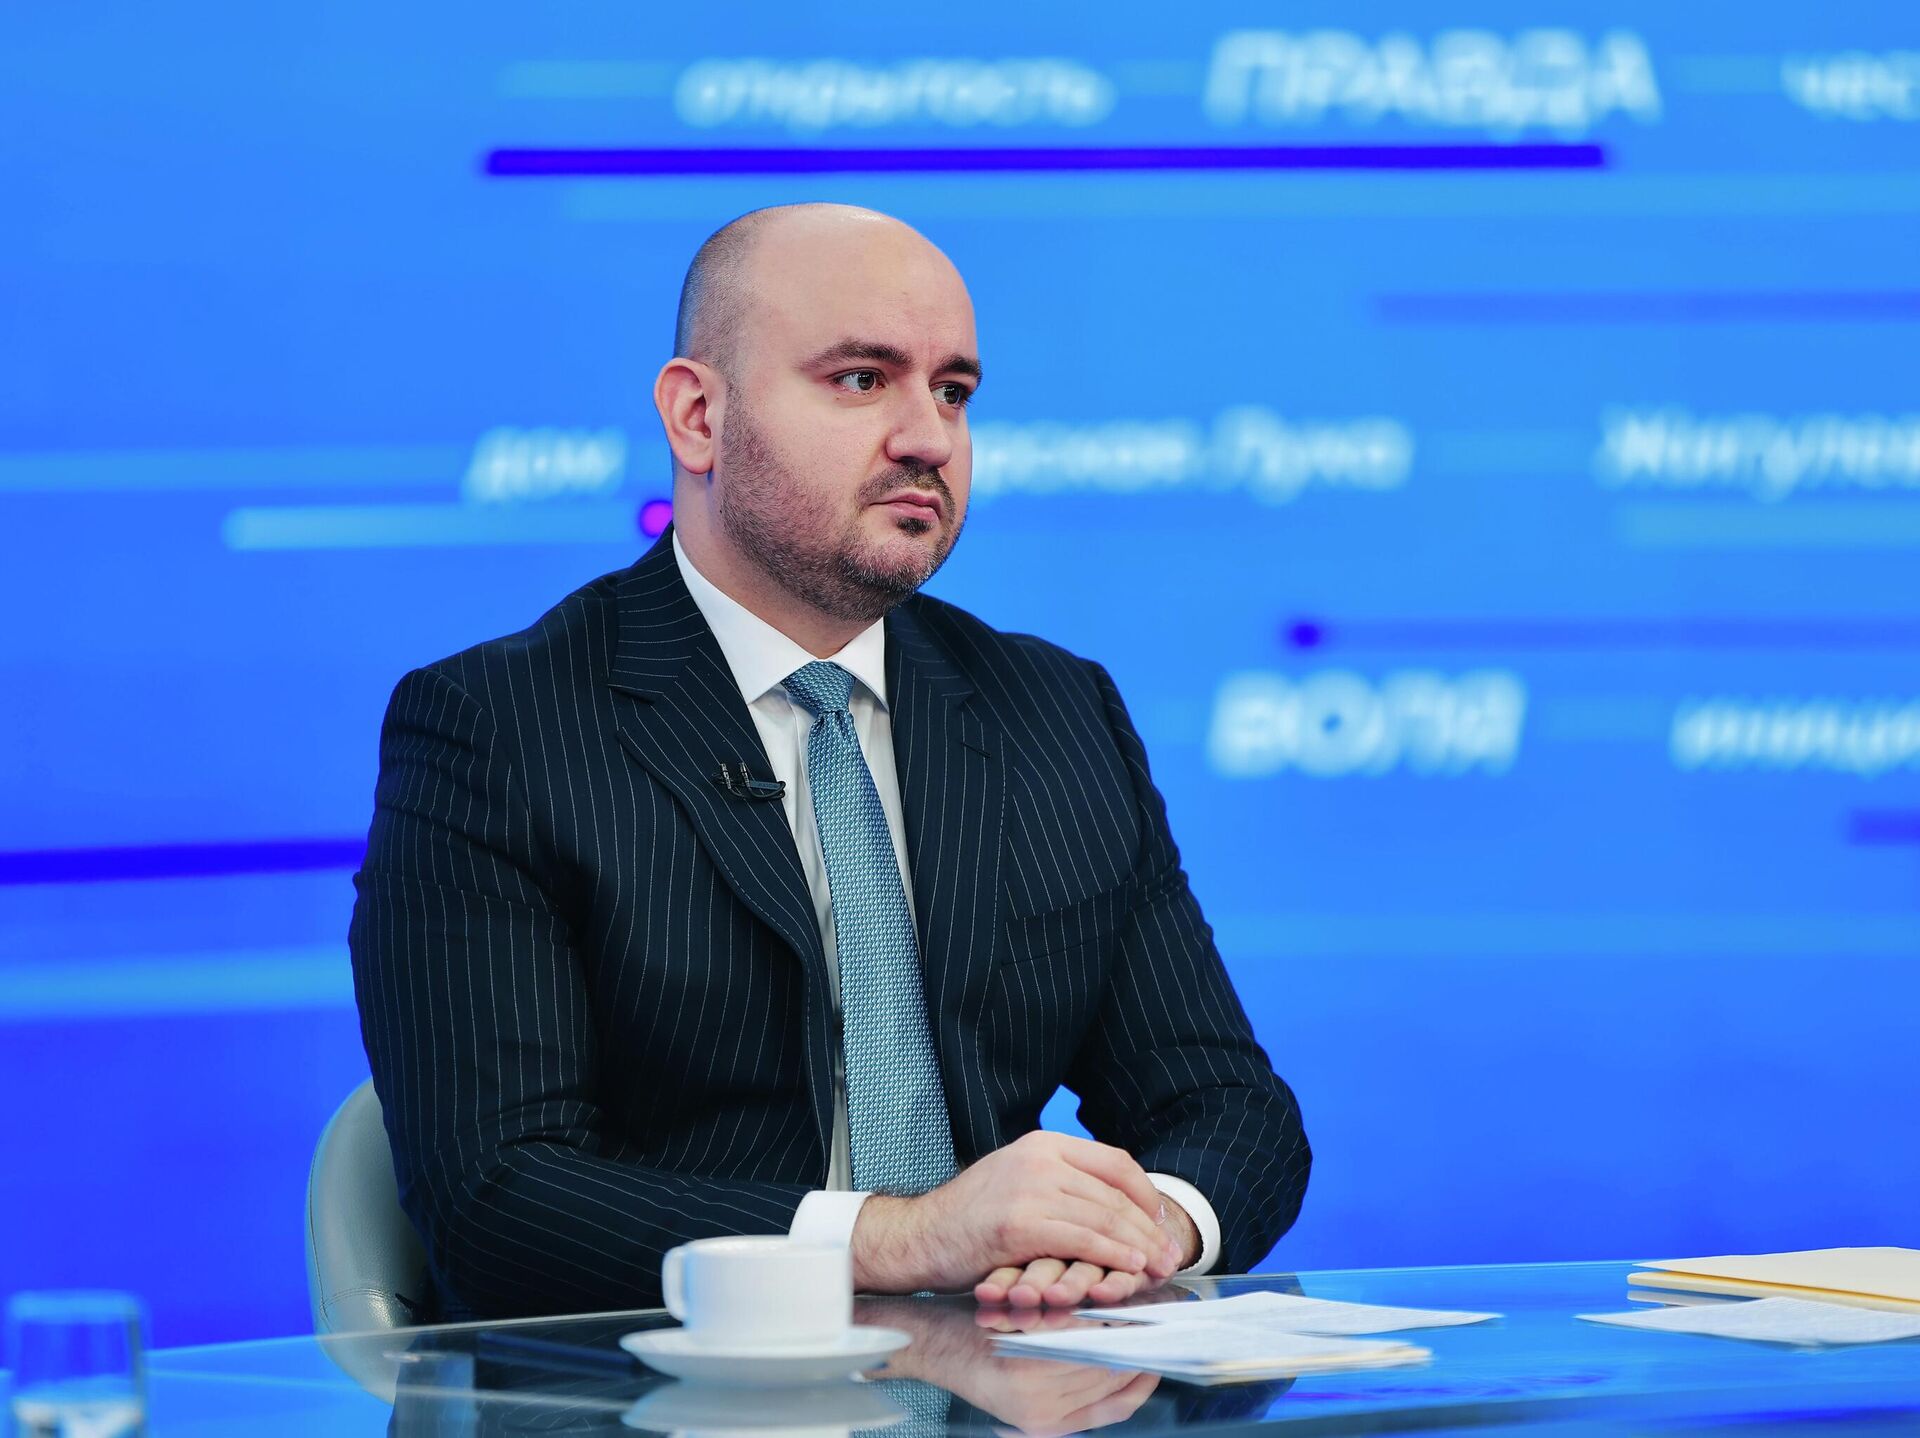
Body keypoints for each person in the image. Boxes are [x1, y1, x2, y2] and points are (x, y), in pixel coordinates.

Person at [349, 203, 1309, 1322]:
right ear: (698, 417)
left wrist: (1144, 1229)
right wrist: (905, 1238)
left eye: (954, 391)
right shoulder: (497, 728)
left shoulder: (1057, 710)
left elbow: (1228, 1106)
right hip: (669, 1386)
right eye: (862, 380)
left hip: (1012, 1377)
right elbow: (498, 1200)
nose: (928, 438)